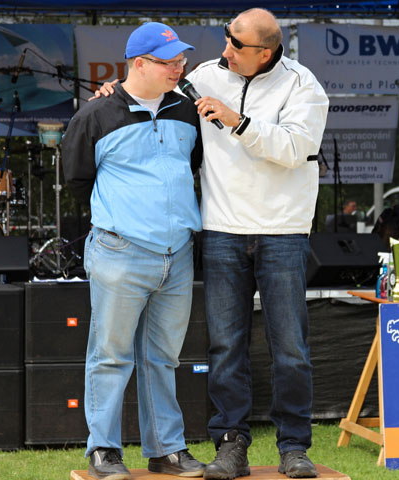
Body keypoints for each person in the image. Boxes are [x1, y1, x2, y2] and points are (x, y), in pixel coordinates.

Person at [94, 9, 328, 479]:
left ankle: (294, 447)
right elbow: (149, 94)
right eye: (226, 39)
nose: (225, 51)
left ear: (266, 52)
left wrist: (239, 122)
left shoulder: (303, 85)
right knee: (224, 347)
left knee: (290, 349)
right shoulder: (203, 77)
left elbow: (296, 148)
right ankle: (230, 444)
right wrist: (112, 94)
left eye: (236, 45)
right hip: (221, 229)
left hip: (283, 231)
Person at [61, 22, 205, 480]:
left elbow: (192, 167)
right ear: (139, 64)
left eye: (181, 60)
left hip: (177, 254)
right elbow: (76, 179)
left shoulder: (187, 110)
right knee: (110, 355)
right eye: (169, 62)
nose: (179, 68)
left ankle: (166, 451)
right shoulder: (95, 115)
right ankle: (103, 451)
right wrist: (122, 218)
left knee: (163, 358)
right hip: (120, 250)